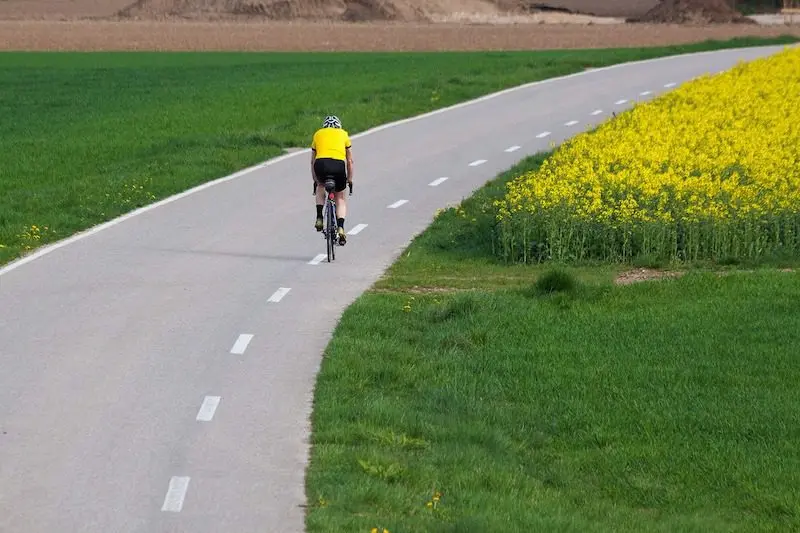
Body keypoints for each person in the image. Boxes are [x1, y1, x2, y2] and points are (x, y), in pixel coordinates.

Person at [310, 115, 353, 245]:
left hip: (321, 164)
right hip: (338, 166)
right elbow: (350, 161)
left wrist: (316, 180)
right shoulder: (343, 134)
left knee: (320, 187)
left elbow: (312, 161)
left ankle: (319, 217)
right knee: (340, 197)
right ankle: (341, 227)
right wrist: (350, 179)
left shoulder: (318, 134)